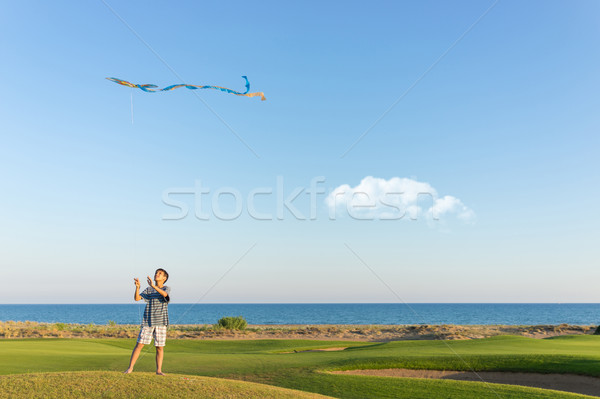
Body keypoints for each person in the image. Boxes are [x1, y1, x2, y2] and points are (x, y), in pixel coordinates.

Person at [124, 268, 171, 375]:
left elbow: (165, 296)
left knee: (159, 347)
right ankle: (130, 368)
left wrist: (154, 286)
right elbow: (137, 298)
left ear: (164, 278)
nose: (156, 275)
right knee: (139, 345)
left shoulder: (166, 288)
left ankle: (158, 370)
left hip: (161, 323)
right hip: (148, 322)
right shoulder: (149, 290)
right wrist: (137, 288)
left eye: (159, 274)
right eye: (156, 273)